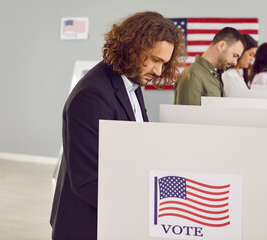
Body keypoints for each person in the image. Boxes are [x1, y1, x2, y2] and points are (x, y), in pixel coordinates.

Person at [50, 11, 186, 240]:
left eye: (164, 63)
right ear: (133, 48)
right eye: (155, 60)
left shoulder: (131, 82)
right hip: (87, 224)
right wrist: (142, 209)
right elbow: (87, 181)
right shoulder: (92, 95)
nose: (159, 71)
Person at [174, 27, 245, 105]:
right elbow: (187, 116)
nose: (235, 63)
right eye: (234, 55)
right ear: (221, 46)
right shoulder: (192, 75)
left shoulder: (216, 75)